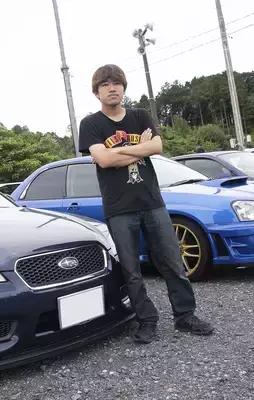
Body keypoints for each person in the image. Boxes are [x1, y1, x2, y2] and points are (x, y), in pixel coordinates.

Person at [78, 64, 214, 344]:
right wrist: (139, 149)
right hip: (118, 208)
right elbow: (104, 160)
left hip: (152, 202)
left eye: (117, 83)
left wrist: (116, 153)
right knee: (132, 271)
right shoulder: (91, 124)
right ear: (96, 92)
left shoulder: (140, 116)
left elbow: (157, 148)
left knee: (173, 263)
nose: (112, 88)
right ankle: (147, 320)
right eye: (105, 84)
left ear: (124, 87)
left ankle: (185, 316)